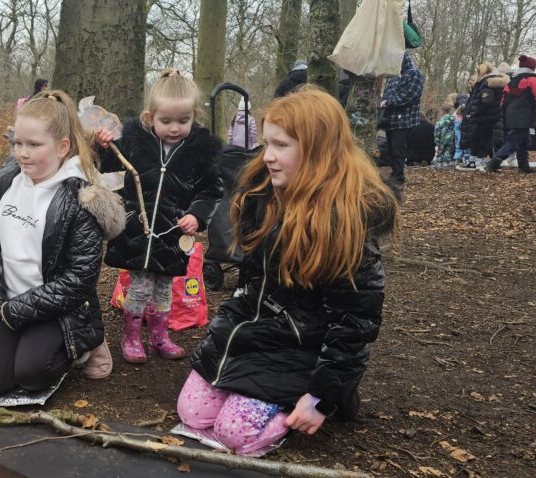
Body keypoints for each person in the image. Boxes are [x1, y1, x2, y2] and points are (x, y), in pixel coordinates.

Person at [181, 87, 398, 456]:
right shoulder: (262, 199)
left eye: (281, 146)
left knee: (236, 435)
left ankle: (323, 399)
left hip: (303, 350)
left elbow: (354, 323)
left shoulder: (345, 223)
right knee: (193, 413)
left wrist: (323, 397)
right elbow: (250, 288)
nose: (267, 157)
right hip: (255, 335)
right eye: (266, 144)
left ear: (316, 151)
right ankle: (252, 393)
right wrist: (223, 332)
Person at [0, 90, 125, 391]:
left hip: (57, 308)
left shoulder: (80, 199)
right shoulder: (5, 185)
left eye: (34, 145)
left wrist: (19, 310)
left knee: (31, 375)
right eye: (18, 143)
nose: (22, 152)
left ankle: (86, 341)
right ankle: (28, 343)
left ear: (63, 147)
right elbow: (1, 233)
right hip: (10, 303)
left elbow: (80, 278)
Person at [95, 69, 224, 364]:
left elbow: (211, 190)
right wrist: (102, 144)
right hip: (138, 232)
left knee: (165, 289)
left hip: (172, 233)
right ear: (150, 117)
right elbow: (107, 162)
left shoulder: (199, 152)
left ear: (194, 116)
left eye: (183, 121)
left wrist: (197, 215)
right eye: (166, 121)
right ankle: (131, 337)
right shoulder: (135, 141)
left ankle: (159, 337)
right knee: (140, 287)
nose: (175, 128)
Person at [487, 55, 536, 174]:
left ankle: (524, 166)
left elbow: (504, 100)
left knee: (524, 141)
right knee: (513, 141)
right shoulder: (533, 80)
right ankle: (494, 163)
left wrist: (504, 114)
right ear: (533, 67)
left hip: (511, 115)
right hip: (524, 116)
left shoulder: (512, 80)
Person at [380, 52, 425, 185]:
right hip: (390, 119)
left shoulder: (414, 73)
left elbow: (410, 95)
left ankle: (398, 174)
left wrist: (389, 102)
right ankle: (394, 172)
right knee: (391, 147)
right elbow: (386, 95)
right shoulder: (393, 77)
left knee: (398, 147)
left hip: (404, 119)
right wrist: (384, 101)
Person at [458, 63, 507, 171]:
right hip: (492, 116)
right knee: (482, 139)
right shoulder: (495, 83)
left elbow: (486, 101)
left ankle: (476, 161)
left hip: (484, 117)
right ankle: (477, 161)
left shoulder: (486, 83)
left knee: (479, 139)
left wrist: (474, 114)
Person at [433, 98, 457, 168]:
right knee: (450, 152)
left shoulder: (440, 122)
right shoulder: (454, 119)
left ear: (442, 111)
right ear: (450, 111)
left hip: (442, 140)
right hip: (452, 140)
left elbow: (437, 132)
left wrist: (437, 141)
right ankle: (450, 163)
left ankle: (441, 163)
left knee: (441, 152)